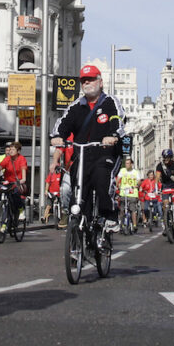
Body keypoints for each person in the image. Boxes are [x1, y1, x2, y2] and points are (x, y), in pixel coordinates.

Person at [50, 64, 123, 232]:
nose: (87, 83)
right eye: (84, 80)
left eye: (91, 79)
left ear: (100, 82)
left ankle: (110, 215)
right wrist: (57, 136)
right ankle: (82, 225)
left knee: (101, 176)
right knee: (78, 189)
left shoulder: (110, 102)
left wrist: (113, 135)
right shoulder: (76, 106)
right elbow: (63, 123)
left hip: (105, 153)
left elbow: (117, 119)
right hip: (82, 156)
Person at [0, 141, 28, 228]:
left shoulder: (22, 159)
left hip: (17, 183)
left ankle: (21, 210)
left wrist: (20, 181)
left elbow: (24, 177)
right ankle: (3, 223)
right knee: (2, 197)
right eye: (10, 149)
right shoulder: (7, 159)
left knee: (16, 193)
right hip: (7, 183)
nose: (10, 151)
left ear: (18, 151)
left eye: (13, 149)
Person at [155, 148, 174, 220]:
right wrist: (156, 188)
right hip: (165, 185)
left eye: (167, 157)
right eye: (164, 157)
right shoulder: (160, 166)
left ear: (171, 157)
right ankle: (166, 221)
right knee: (165, 204)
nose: (166, 159)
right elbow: (157, 177)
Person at [116, 157, 141, 230]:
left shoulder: (135, 172)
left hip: (133, 193)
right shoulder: (122, 170)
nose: (126, 165)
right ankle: (122, 224)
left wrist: (137, 185)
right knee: (122, 209)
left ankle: (134, 224)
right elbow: (118, 179)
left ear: (131, 164)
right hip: (123, 193)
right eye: (126, 163)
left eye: (128, 164)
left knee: (133, 209)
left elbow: (139, 180)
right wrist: (118, 185)